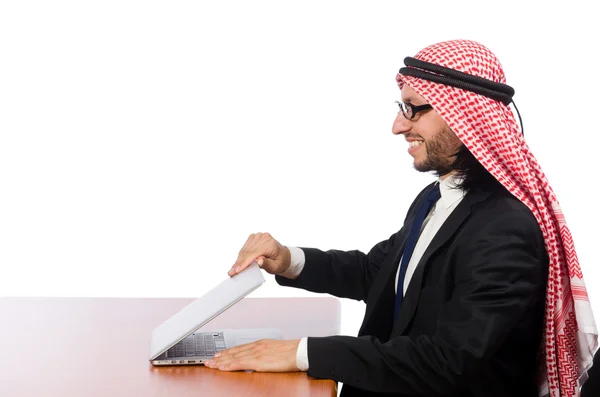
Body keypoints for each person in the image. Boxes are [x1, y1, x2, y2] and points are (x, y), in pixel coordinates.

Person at [204, 40, 598, 397]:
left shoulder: (506, 229)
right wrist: (287, 258)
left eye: (413, 109)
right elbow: (381, 273)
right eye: (400, 109)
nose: (398, 126)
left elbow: (449, 361)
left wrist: (304, 352)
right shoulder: (436, 197)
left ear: (464, 115)